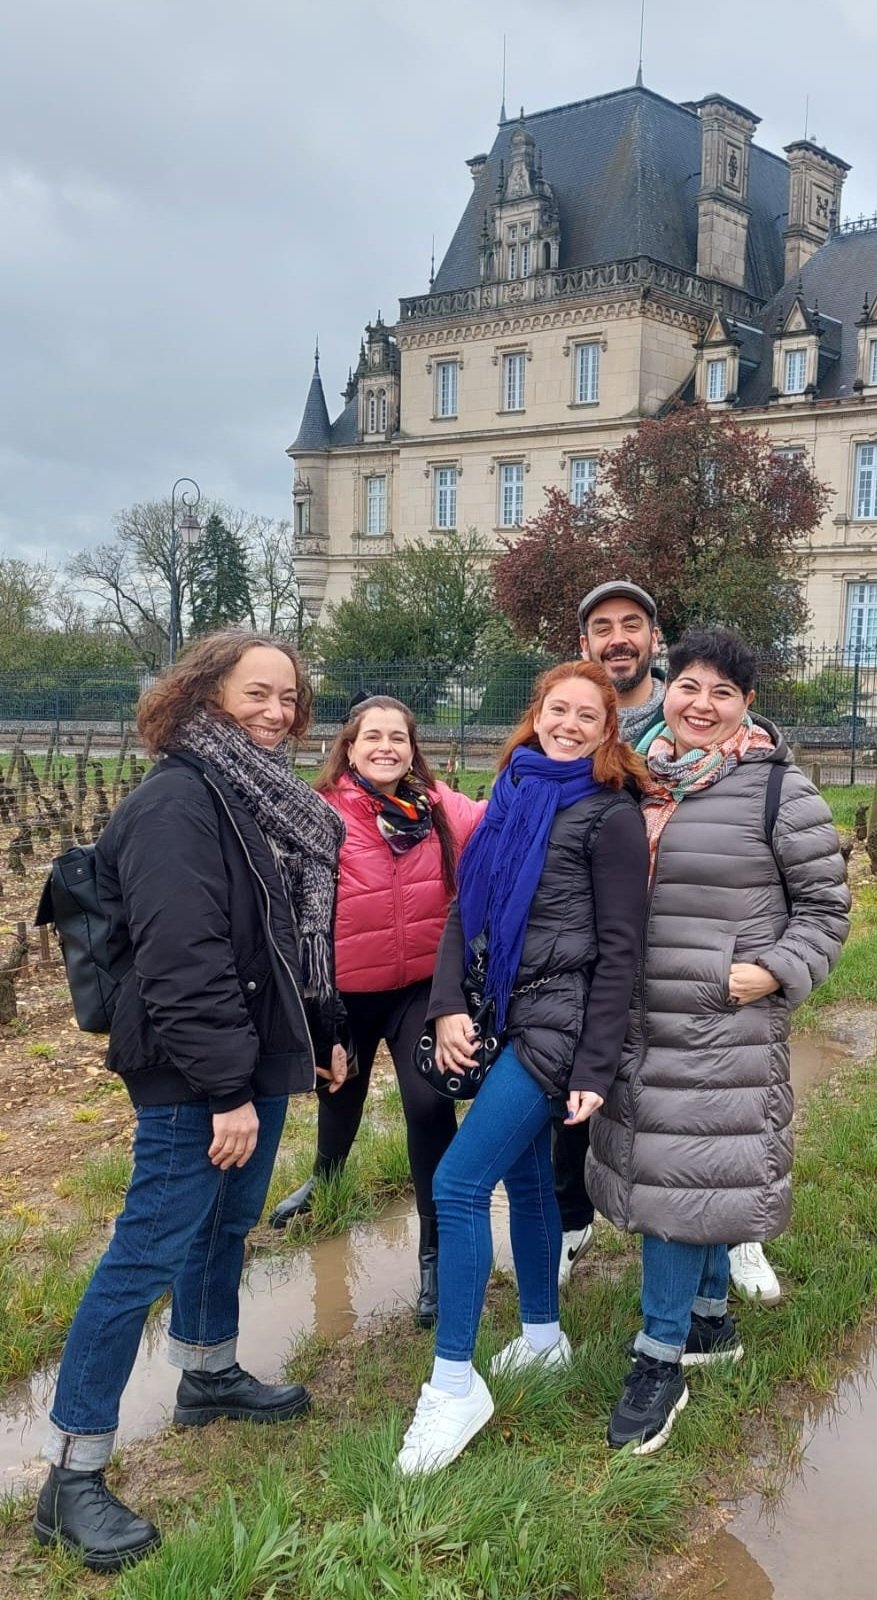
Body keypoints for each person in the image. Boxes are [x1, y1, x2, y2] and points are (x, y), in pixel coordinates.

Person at [33, 631, 346, 1572]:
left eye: (289, 697)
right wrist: (224, 1091)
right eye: (258, 693)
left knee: (224, 1224)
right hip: (193, 1070)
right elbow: (182, 959)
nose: (277, 712)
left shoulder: (255, 796)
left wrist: (320, 1032)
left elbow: (277, 940)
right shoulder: (177, 801)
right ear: (205, 694)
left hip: (249, 1054)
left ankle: (207, 1373)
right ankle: (72, 1476)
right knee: (148, 1251)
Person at [586, 627, 850, 1455]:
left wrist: (772, 970)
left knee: (680, 1178)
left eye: (722, 693)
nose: (701, 705)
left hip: (718, 1021)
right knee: (687, 1172)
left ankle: (658, 1358)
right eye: (689, 686)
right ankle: (707, 1320)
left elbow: (825, 910)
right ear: (666, 688)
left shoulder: (778, 790)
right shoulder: (631, 777)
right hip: (636, 1019)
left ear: (746, 706)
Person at [397, 661, 649, 1475]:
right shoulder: (509, 793)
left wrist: (595, 1066)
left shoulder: (609, 814)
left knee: (457, 1183)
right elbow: (463, 908)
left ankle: (452, 1385)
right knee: (528, 1180)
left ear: (606, 730)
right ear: (535, 713)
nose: (568, 724)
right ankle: (542, 1338)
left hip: (558, 1022)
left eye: (587, 716)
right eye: (556, 709)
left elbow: (620, 952)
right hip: (498, 1008)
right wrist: (445, 1005)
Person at [557, 579, 783, 1308]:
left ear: (655, 640)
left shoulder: (710, 729)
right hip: (616, 957)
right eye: (601, 627)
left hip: (710, 970)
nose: (617, 638)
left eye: (631, 623)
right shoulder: (585, 724)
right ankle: (574, 1221)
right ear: (584, 643)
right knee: (605, 1097)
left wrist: (769, 965)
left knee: (719, 1109)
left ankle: (731, 1242)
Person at [268, 696, 484, 1326]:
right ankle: (326, 1179)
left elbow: (503, 820)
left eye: (398, 737)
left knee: (429, 1104)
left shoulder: (440, 808)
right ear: (350, 746)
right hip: (347, 990)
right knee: (341, 1091)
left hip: (421, 989)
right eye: (373, 736)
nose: (386, 747)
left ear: (413, 749)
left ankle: (435, 1253)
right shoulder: (321, 811)